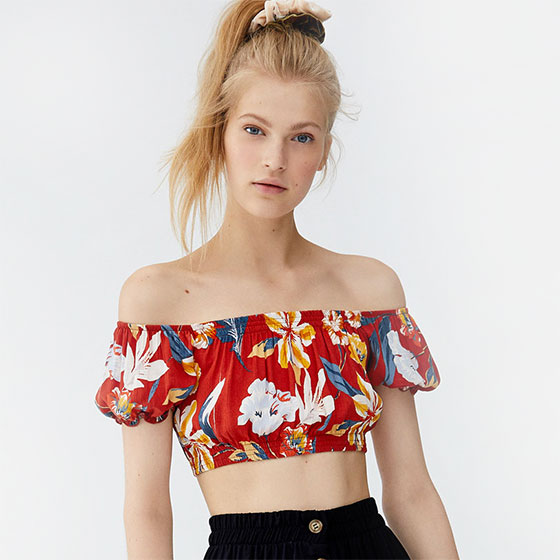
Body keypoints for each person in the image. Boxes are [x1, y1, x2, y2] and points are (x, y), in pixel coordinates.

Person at [94, 1, 460, 558]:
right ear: (219, 132)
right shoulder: (160, 302)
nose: (274, 159)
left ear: (324, 152)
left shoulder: (369, 293)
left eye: (302, 137)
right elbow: (147, 510)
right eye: (254, 130)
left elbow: (411, 491)